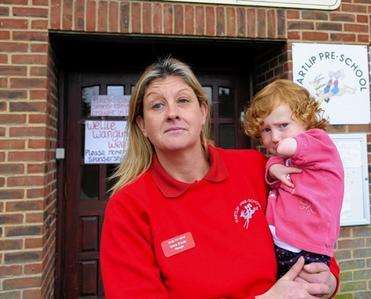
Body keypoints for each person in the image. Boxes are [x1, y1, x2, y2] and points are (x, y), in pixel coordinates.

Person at [100, 57, 340, 298]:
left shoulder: (256, 169)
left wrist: (328, 280)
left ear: (203, 112)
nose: (172, 113)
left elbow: (310, 226)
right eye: (157, 106)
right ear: (142, 125)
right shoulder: (128, 207)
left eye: (183, 100)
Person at [243, 79, 344, 278]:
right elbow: (273, 162)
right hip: (283, 242)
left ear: (306, 120)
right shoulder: (283, 156)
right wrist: (274, 169)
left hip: (309, 246)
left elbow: (284, 148)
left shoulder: (319, 142)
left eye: (283, 125)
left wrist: (275, 162)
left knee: (308, 288)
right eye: (266, 130)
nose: (274, 136)